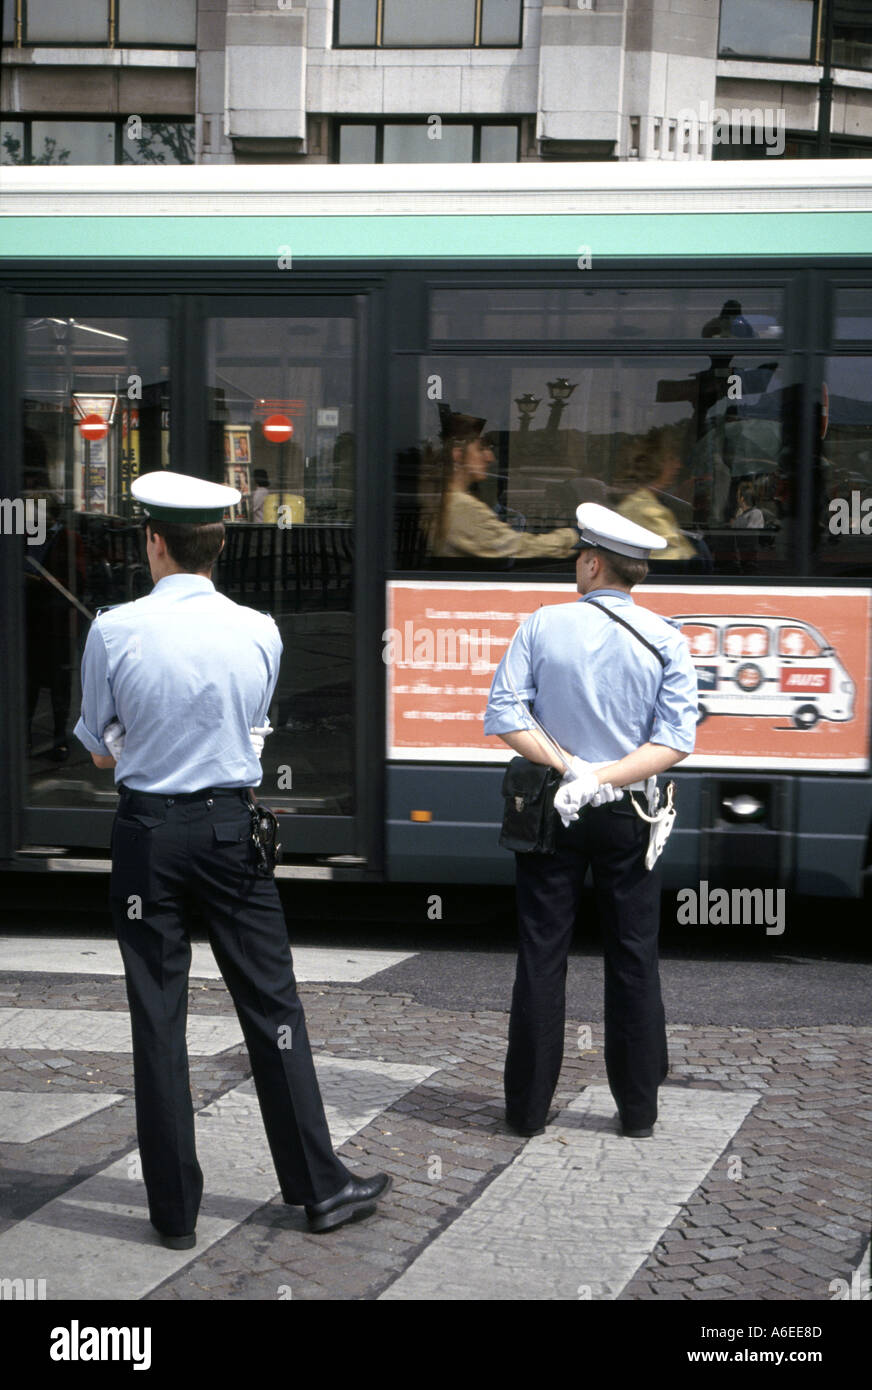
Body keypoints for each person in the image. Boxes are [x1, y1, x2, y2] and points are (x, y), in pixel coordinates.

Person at [73, 469, 389, 1247]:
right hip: (228, 829)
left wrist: (136, 743)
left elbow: (96, 750)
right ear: (221, 544)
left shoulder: (112, 629)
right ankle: (319, 1189)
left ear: (154, 541)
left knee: (157, 1020)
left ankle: (173, 1213)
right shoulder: (260, 629)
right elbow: (249, 728)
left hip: (147, 835)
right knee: (272, 1009)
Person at [484, 502, 698, 1139]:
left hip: (554, 810)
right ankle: (637, 1112)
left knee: (542, 955)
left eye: (580, 555)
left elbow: (505, 715)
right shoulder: (666, 638)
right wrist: (604, 777)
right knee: (634, 955)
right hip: (630, 812)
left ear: (593, 560)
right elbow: (676, 742)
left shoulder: (544, 625)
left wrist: (572, 768)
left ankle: (525, 1111)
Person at [428, 412, 578, 562]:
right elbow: (516, 547)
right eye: (481, 449)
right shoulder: (461, 505)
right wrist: (573, 537)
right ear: (458, 454)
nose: (490, 458)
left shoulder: (448, 499)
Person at [615, 427, 698, 563]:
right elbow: (676, 560)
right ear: (656, 462)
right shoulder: (648, 511)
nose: (678, 465)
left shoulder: (648, 503)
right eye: (671, 458)